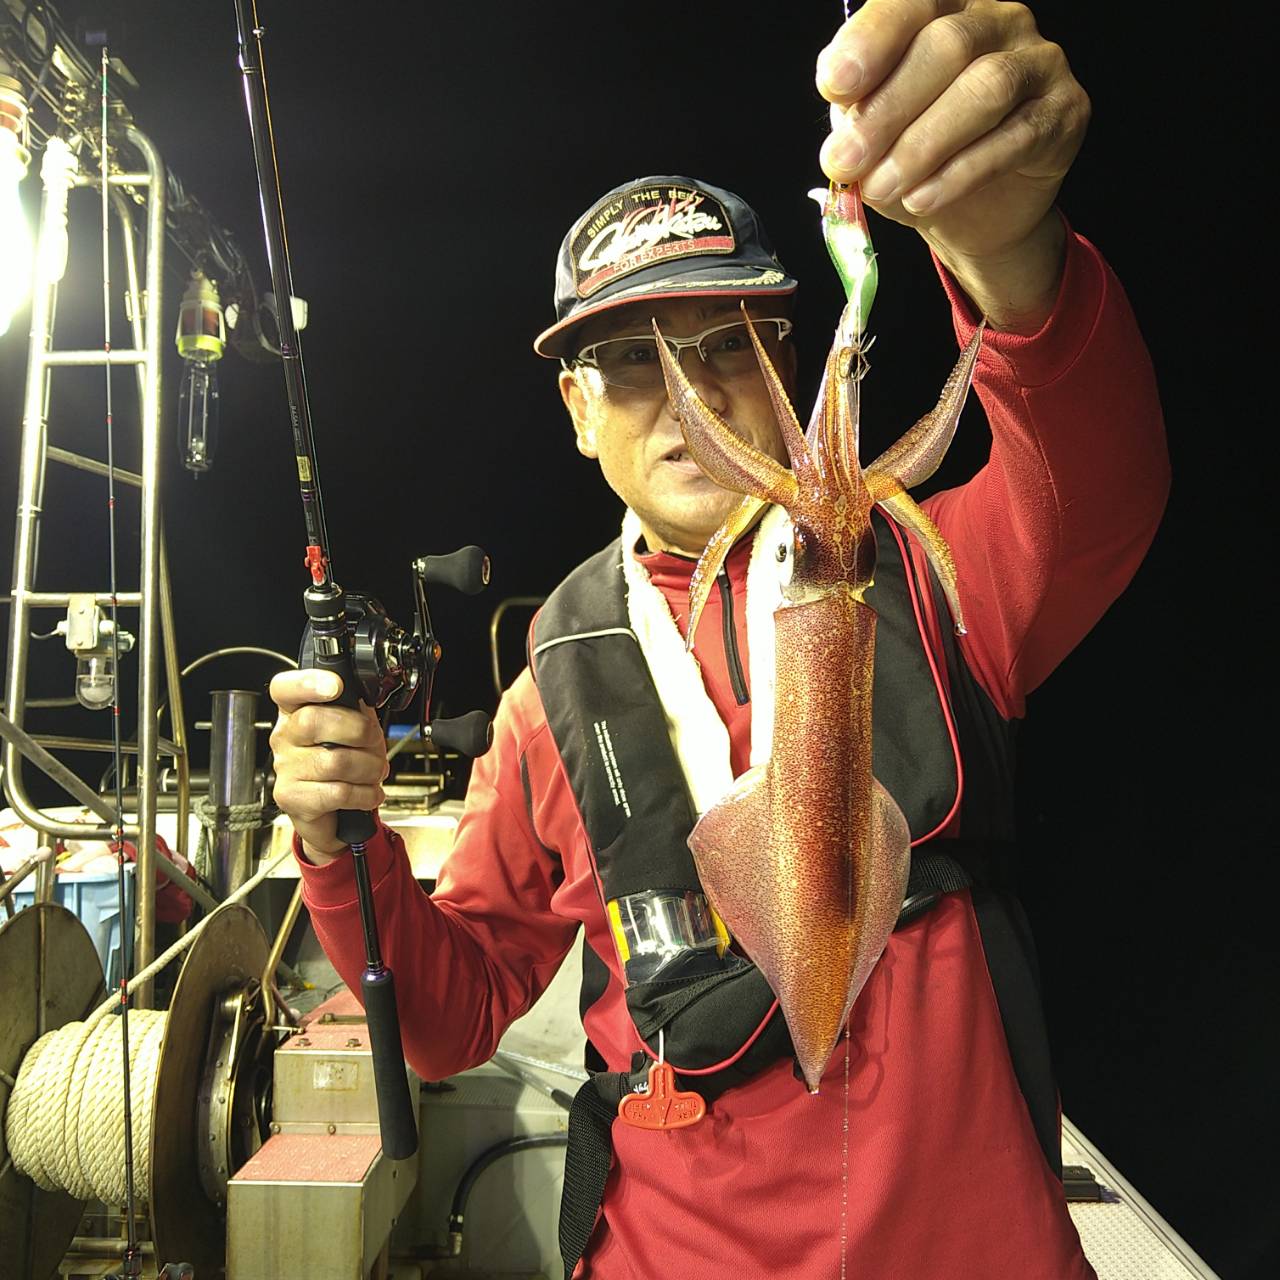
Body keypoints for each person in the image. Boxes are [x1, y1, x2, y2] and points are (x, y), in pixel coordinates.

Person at [268, 3, 1169, 1276]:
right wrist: (335, 849)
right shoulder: (546, 697)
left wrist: (1009, 252)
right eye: (630, 362)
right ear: (577, 410)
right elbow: (451, 1012)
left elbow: (1097, 484)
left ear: (786, 360)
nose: (687, 396)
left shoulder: (925, 567)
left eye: (724, 344)